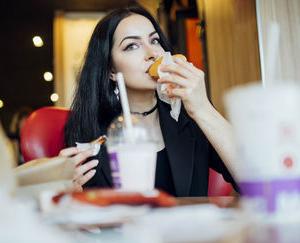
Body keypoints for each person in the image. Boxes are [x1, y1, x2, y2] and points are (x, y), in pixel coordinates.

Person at [59, 3, 240, 196]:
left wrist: (203, 109)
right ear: (111, 70)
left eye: (154, 41)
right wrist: (69, 195)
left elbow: (256, 181)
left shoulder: (191, 114)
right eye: (132, 46)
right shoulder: (90, 134)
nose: (153, 53)